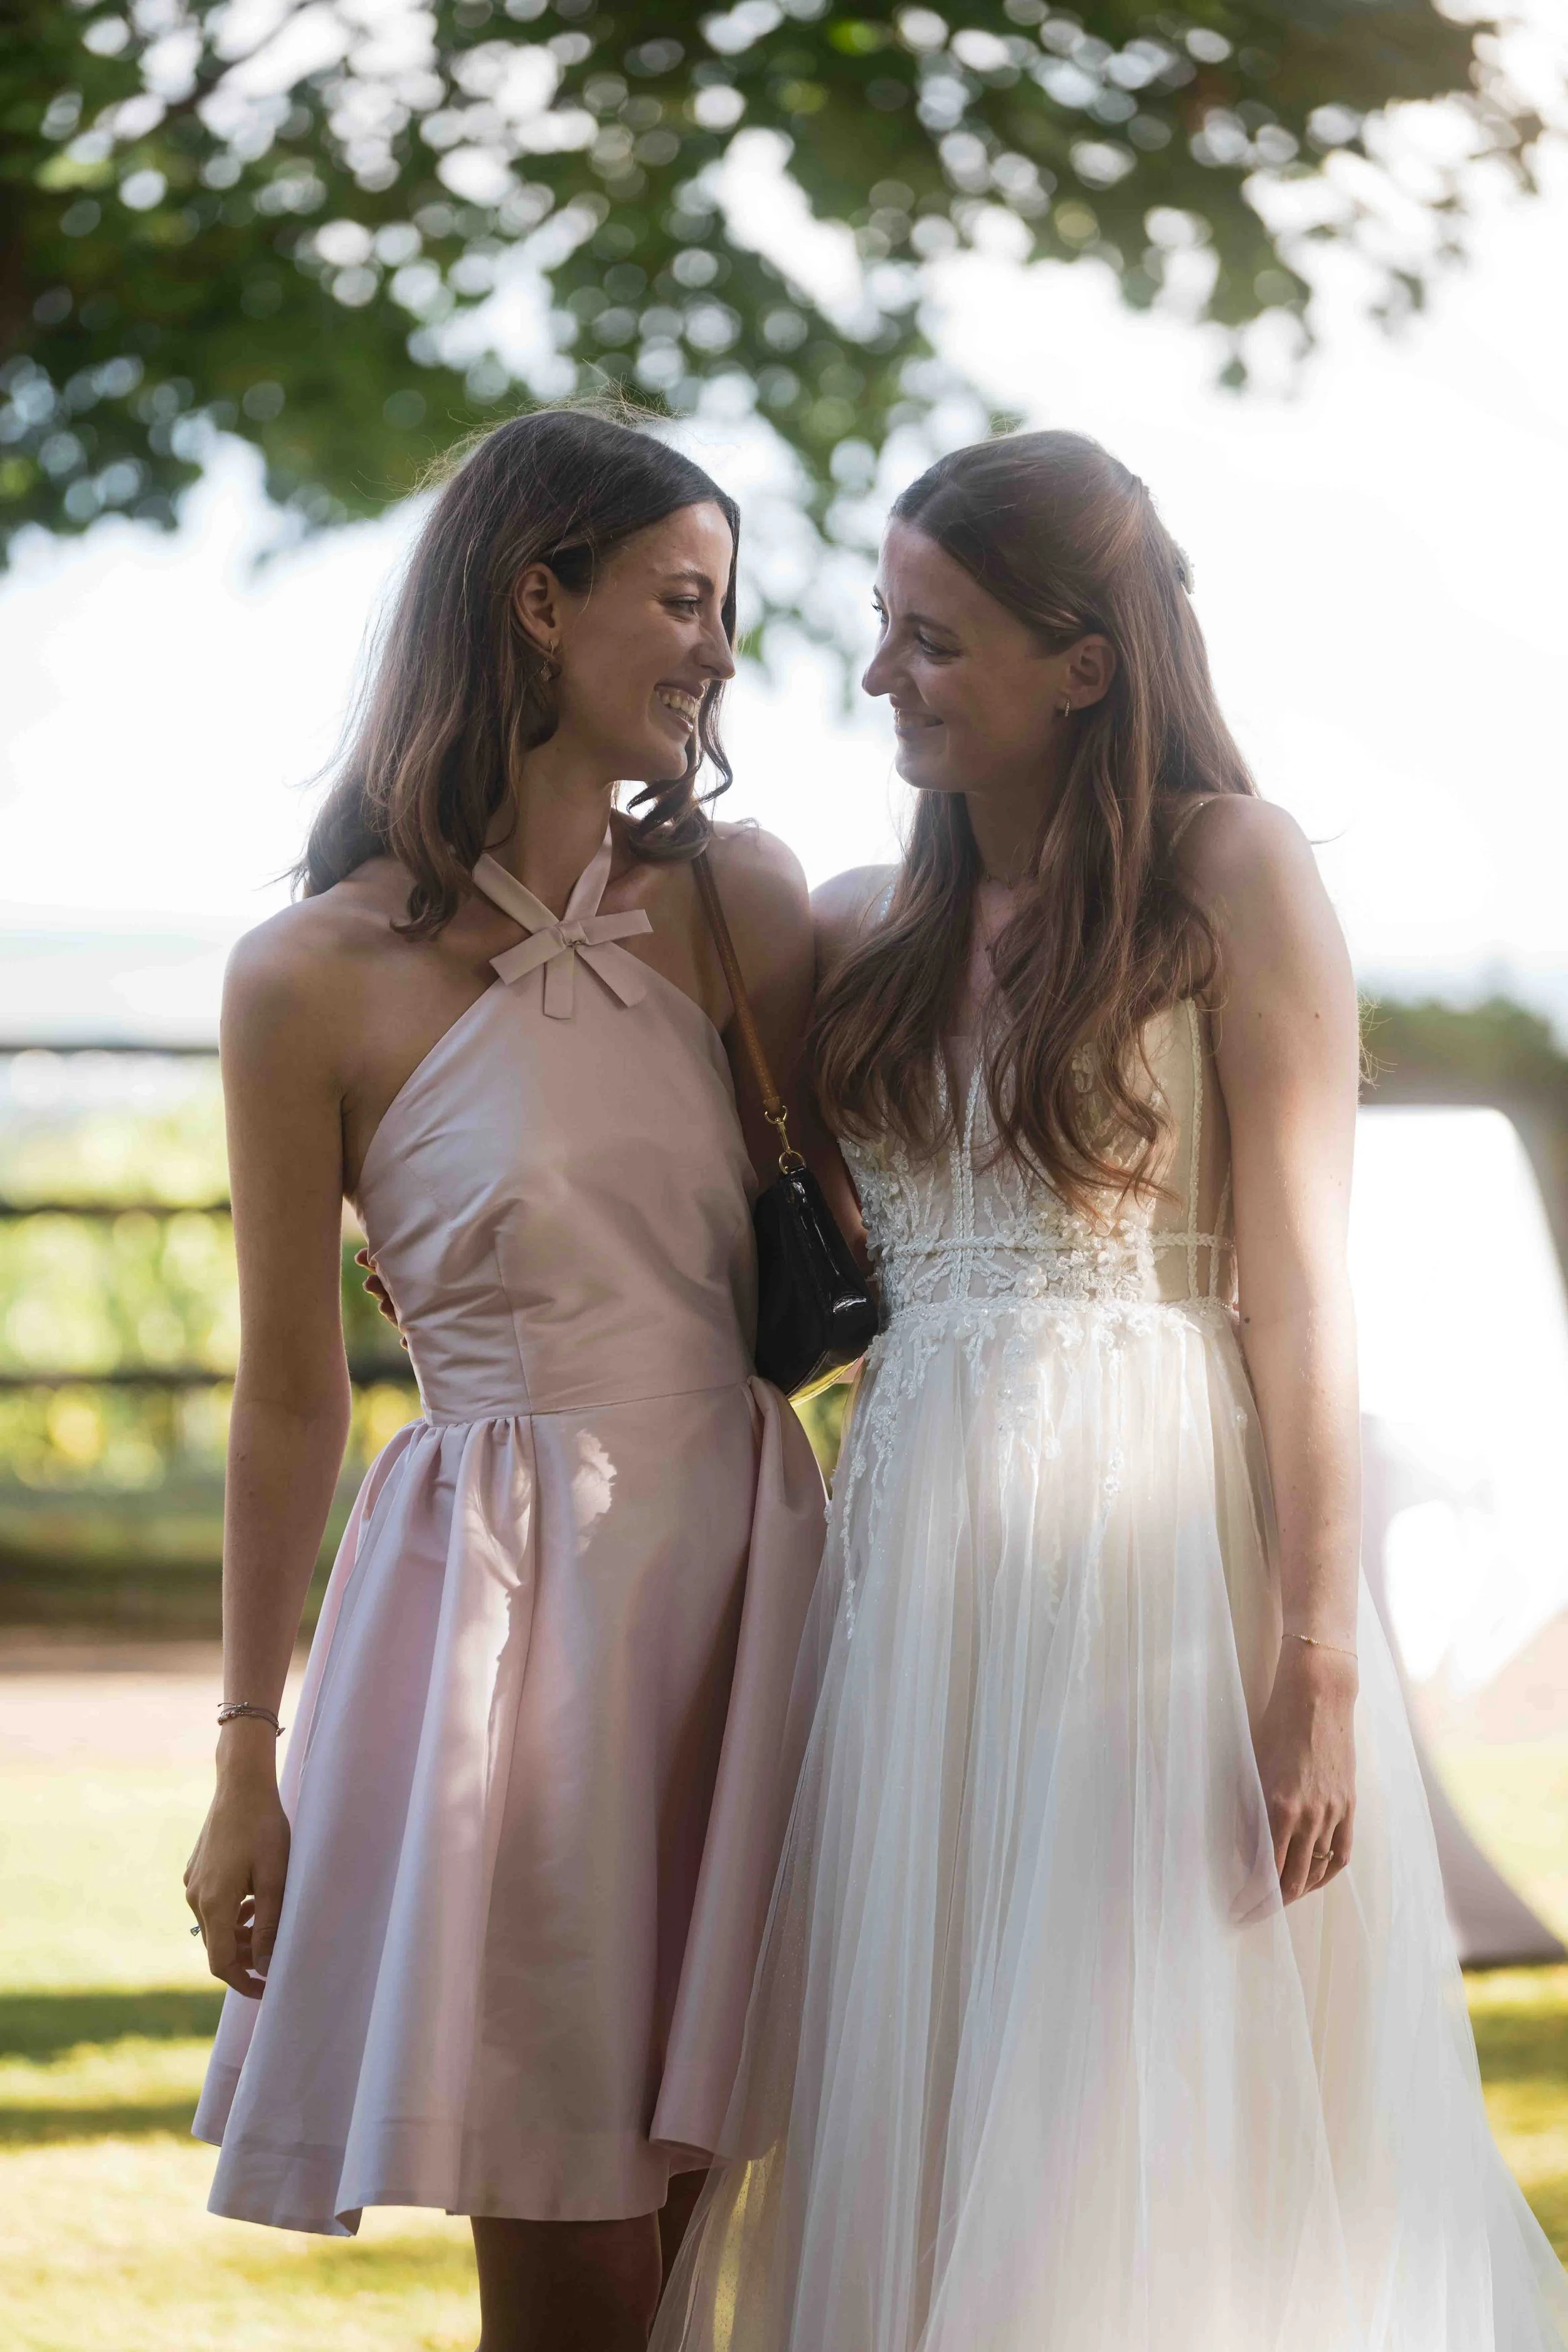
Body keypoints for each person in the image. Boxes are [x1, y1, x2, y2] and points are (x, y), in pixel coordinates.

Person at [652, 430, 1568, 2350]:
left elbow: (1307, 1287)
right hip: (917, 1551)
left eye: (933, 638)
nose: (884, 674)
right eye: (884, 632)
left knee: (1126, 2059)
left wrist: (1317, 1657)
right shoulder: (852, 928)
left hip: (1159, 1548)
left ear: (1082, 663)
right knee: (927, 2044)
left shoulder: (1230, 871)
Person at [183, 408, 826, 2352]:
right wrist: (243, 1758)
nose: (717, 646)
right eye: (681, 598)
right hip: (499, 1618)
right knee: (563, 2245)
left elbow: (888, 1209)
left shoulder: (745, 908)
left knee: (719, 2227)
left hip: (745, 1582)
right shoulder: (309, 974)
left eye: (728, 607)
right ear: (538, 603)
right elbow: (291, 1391)